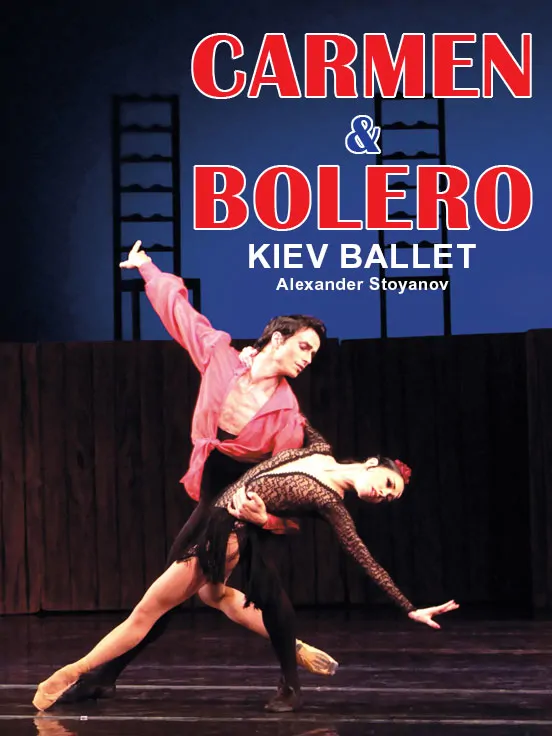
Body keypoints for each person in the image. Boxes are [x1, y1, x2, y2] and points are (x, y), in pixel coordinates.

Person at [58, 240, 335, 705]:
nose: (308, 358)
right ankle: (106, 677)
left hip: (246, 503)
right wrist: (147, 268)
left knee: (266, 589)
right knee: (169, 592)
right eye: (304, 346)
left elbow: (284, 481)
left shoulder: (287, 415)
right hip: (211, 495)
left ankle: (290, 683)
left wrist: (263, 514)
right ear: (277, 339)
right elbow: (180, 314)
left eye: (314, 353)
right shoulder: (220, 357)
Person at [33, 424, 459, 713]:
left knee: (145, 615)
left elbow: (363, 556)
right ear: (372, 463)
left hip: (224, 538)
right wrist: (251, 361)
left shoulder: (331, 502)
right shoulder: (319, 448)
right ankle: (295, 647)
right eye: (388, 485)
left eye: (390, 498)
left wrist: (408, 606)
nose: (383, 495)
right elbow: (283, 403)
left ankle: (73, 672)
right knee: (215, 596)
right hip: (213, 524)